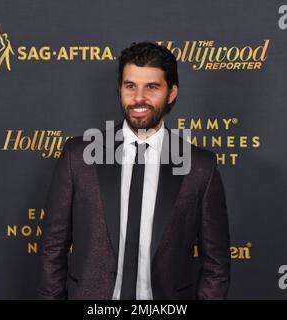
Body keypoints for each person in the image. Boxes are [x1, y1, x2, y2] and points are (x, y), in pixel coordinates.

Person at [37, 41, 230, 300]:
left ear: (171, 93)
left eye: (152, 87)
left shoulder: (200, 168)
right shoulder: (78, 157)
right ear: (119, 90)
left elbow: (216, 266)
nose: (139, 98)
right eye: (130, 86)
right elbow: (52, 248)